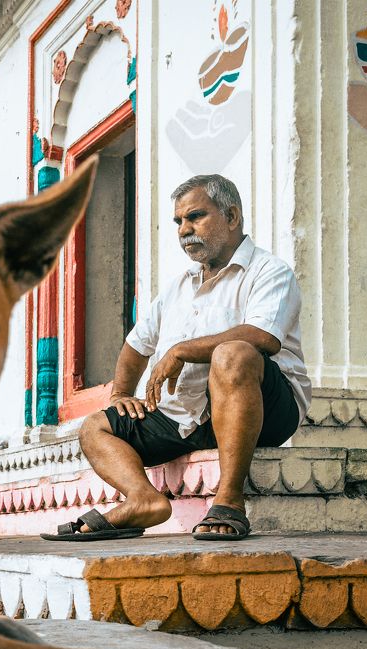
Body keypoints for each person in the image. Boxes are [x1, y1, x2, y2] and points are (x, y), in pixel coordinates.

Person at [42, 174, 310, 541]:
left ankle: (230, 500)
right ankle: (142, 500)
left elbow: (263, 336)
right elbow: (137, 344)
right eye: (179, 222)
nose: (184, 230)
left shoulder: (269, 271)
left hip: (266, 410)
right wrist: (121, 393)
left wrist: (182, 350)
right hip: (182, 417)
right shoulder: (178, 286)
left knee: (235, 354)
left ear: (231, 216)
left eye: (195, 217)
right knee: (95, 426)